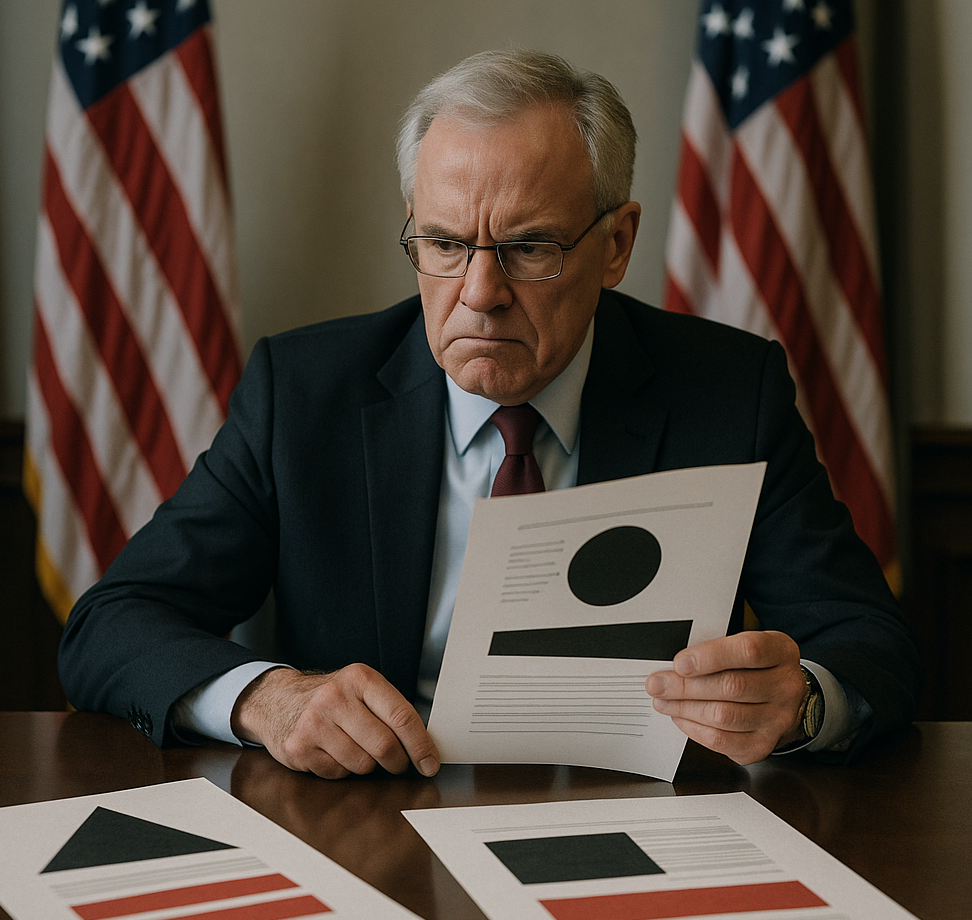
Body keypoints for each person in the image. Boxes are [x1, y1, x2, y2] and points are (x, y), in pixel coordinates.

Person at [59, 50, 920, 779]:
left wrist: (802, 699)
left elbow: (870, 640)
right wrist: (267, 698)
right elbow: (112, 624)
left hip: (641, 829)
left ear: (615, 244)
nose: (478, 295)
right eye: (442, 244)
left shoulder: (730, 391)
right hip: (383, 829)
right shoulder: (305, 393)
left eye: (528, 248)